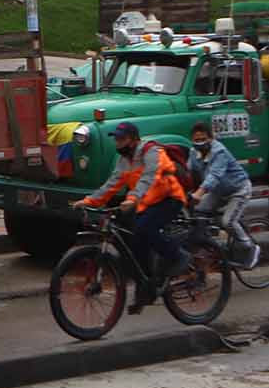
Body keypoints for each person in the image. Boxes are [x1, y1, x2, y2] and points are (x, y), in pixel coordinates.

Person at [74, 121, 189, 313]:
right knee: (131, 242)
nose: (118, 144)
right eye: (116, 140)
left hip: (169, 199)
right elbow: (112, 184)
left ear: (134, 140)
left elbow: (149, 177)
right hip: (146, 202)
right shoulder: (124, 160)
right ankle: (146, 288)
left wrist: (133, 198)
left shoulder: (151, 152)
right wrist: (89, 201)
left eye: (122, 139)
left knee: (144, 229)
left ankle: (179, 256)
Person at [190, 122, 257, 269]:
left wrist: (199, 193)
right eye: (196, 140)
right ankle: (211, 245)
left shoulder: (219, 152)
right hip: (218, 192)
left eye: (203, 139)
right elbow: (189, 172)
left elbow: (215, 175)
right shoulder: (193, 153)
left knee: (228, 222)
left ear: (211, 138)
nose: (199, 142)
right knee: (196, 212)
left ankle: (250, 247)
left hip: (238, 190)